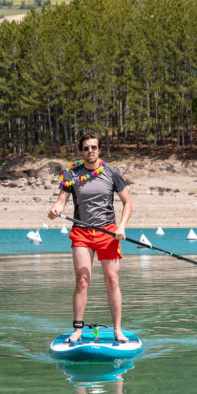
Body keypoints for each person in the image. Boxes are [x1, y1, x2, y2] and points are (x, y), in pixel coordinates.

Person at [48, 132, 132, 344]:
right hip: (82, 233)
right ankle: (77, 329)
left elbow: (127, 203)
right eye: (86, 148)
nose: (90, 151)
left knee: (112, 280)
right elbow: (61, 200)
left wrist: (121, 227)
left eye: (94, 147)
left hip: (108, 233)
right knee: (82, 280)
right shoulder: (72, 173)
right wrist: (55, 209)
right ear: (81, 151)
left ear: (99, 150)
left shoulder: (112, 173)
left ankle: (117, 330)